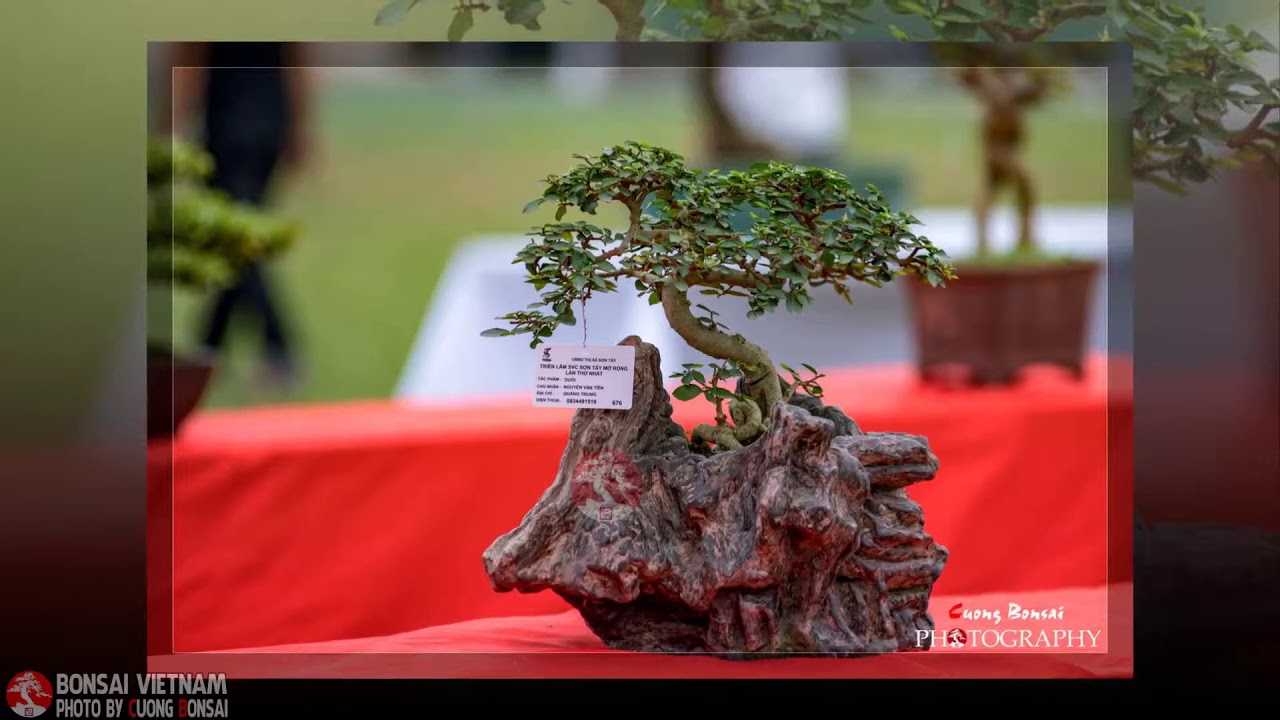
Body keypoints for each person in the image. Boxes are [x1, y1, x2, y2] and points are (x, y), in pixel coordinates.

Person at [165, 42, 316, 395]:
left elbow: (188, 59)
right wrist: (300, 127)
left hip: (230, 127)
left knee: (238, 243)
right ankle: (211, 350)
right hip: (263, 125)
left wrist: (172, 123)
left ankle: (275, 350)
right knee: (236, 244)